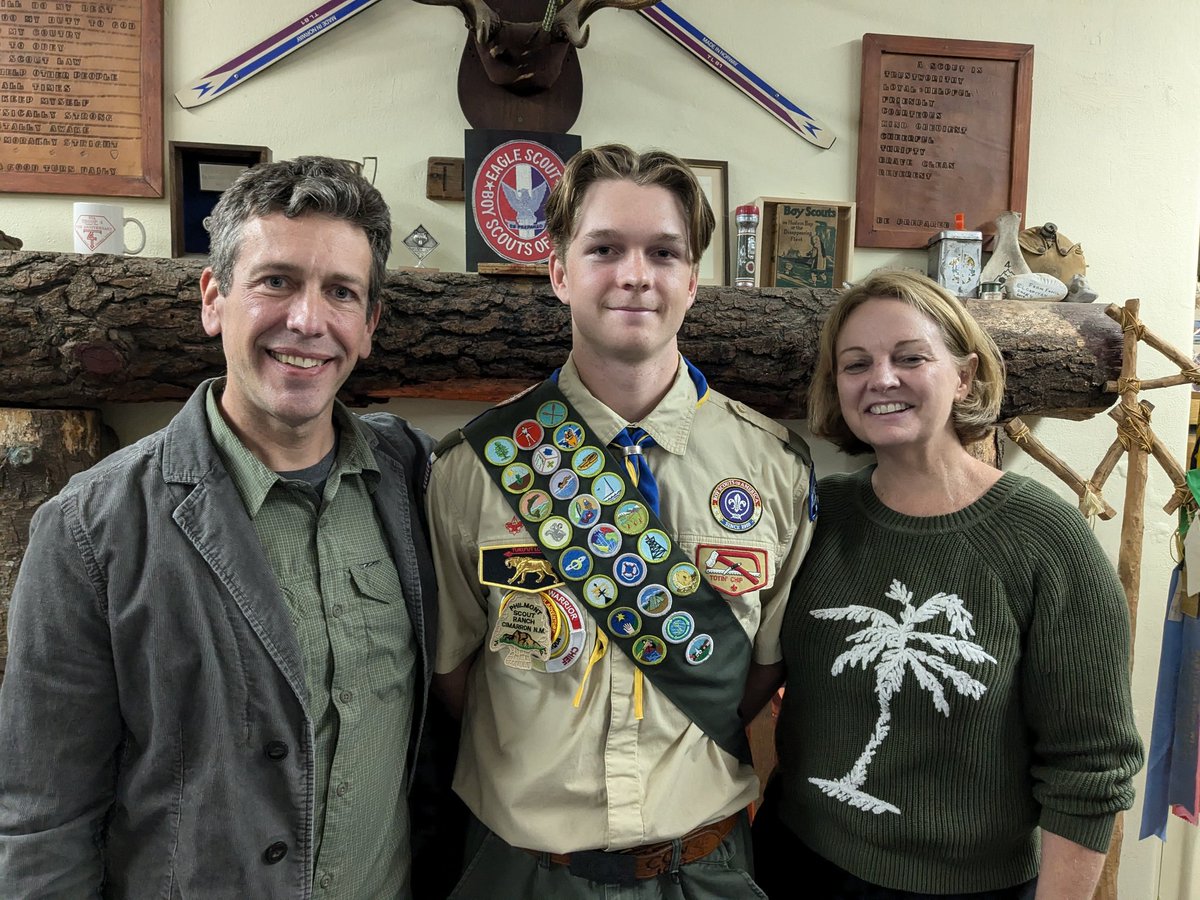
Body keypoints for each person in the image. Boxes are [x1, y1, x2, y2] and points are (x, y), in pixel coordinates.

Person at [0, 156, 443, 898]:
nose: (307, 320)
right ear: (214, 298)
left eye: (340, 292)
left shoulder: (414, 478)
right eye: (276, 281)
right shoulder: (88, 529)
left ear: (367, 327)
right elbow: (42, 821)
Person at [427, 144, 817, 898]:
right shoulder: (473, 466)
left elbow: (762, 667)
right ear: (559, 272)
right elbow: (455, 671)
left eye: (663, 253)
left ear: (692, 280)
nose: (635, 275)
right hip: (521, 872)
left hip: (704, 869)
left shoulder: (774, 466)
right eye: (604, 248)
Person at [755, 269, 1144, 899]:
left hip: (970, 888)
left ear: (963, 375)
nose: (882, 378)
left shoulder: (1047, 538)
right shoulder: (814, 516)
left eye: (911, 357)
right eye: (857, 365)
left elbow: (1090, 766)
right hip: (795, 861)